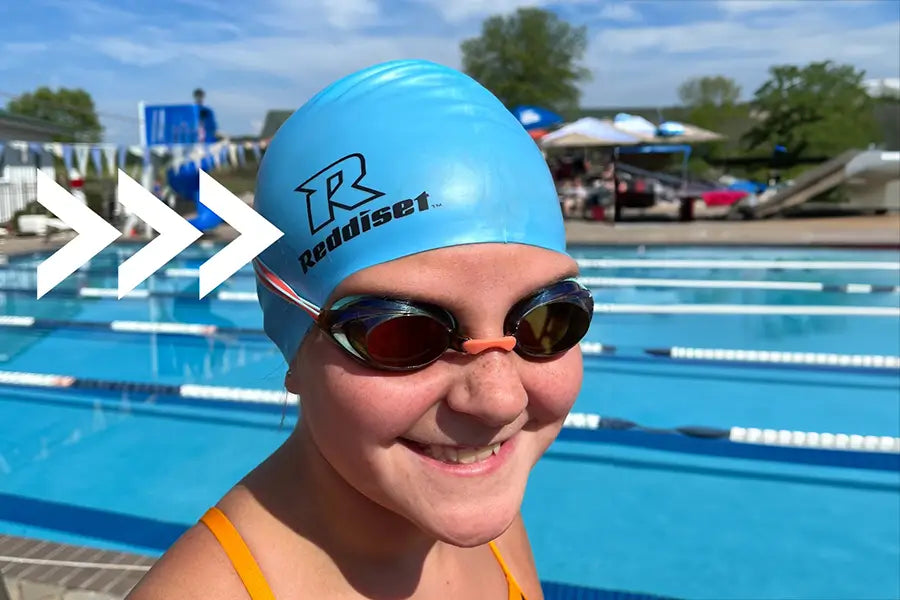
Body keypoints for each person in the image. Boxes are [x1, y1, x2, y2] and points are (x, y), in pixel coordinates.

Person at [127, 59, 594, 600]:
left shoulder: (491, 513)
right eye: (401, 334)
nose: (498, 401)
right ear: (293, 344)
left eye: (547, 320)